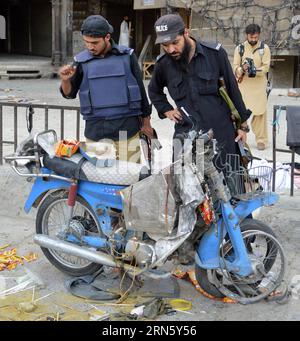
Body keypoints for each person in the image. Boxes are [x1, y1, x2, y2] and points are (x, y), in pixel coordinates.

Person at [148, 14, 251, 265]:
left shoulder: (214, 54)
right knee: (188, 193)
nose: (171, 49)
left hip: (221, 131)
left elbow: (234, 91)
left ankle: (241, 240)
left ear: (186, 32)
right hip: (187, 135)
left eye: (174, 42)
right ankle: (192, 243)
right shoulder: (163, 64)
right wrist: (165, 109)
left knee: (232, 186)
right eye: (165, 45)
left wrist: (243, 125)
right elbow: (153, 90)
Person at [59, 15, 152, 162]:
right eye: (86, 42)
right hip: (96, 131)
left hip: (126, 129)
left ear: (107, 37)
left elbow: (140, 91)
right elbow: (69, 94)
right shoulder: (81, 61)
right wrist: (65, 81)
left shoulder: (127, 56)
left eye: (94, 42)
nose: (90, 47)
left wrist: (146, 123)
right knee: (100, 179)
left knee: (129, 175)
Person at [233, 24, 271, 151]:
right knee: (240, 113)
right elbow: (235, 67)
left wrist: (255, 70)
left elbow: (266, 67)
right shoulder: (240, 48)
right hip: (244, 86)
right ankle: (241, 139)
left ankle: (261, 140)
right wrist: (241, 69)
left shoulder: (264, 48)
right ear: (246, 35)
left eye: (256, 37)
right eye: (251, 37)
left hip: (259, 86)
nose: (253, 39)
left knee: (260, 112)